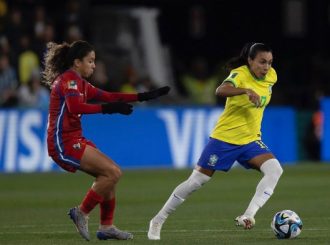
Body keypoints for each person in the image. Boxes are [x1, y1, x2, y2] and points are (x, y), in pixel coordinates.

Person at [148, 42, 283, 240]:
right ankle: (158, 219)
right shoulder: (240, 74)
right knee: (197, 181)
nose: (266, 67)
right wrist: (245, 91)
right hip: (225, 139)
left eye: (270, 62)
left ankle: (248, 215)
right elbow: (221, 90)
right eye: (262, 62)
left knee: (275, 169)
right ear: (250, 60)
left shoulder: (271, 76)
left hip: (250, 140)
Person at [42, 40, 170, 241]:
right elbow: (75, 107)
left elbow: (109, 95)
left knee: (109, 174)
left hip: (74, 138)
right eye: (90, 61)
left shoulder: (80, 83)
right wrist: (107, 109)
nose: (94, 65)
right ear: (77, 62)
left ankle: (106, 226)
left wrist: (144, 96)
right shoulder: (69, 80)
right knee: (113, 172)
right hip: (63, 142)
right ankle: (81, 212)